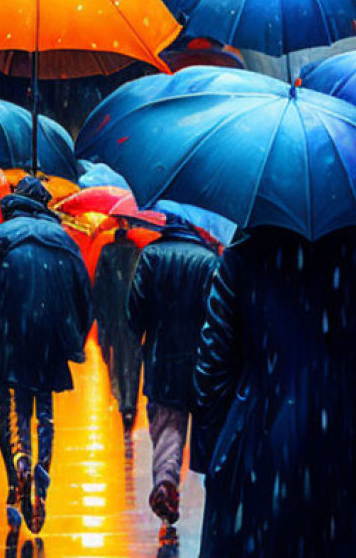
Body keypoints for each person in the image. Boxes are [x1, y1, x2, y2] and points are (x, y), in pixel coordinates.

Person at [193, 223, 356, 557]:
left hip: (257, 425)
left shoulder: (246, 245)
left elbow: (213, 357)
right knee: (329, 541)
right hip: (339, 428)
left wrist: (210, 448)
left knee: (256, 541)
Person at [0, 176, 92, 534]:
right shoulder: (63, 240)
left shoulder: (0, 236)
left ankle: (16, 466)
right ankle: (41, 473)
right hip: (48, 333)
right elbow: (84, 297)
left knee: (7, 406)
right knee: (42, 409)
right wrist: (73, 339)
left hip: (6, 331)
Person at [127, 217, 218, 530]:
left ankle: (166, 481)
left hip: (162, 359)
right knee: (207, 428)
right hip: (201, 361)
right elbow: (218, 315)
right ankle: (215, 490)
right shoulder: (209, 261)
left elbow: (134, 312)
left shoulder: (152, 256)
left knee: (168, 428)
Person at [92, 228, 143, 435]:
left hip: (113, 318)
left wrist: (100, 320)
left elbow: (99, 290)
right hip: (134, 319)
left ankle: (124, 401)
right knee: (133, 361)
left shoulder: (106, 253)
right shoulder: (137, 253)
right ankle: (130, 402)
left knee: (117, 360)